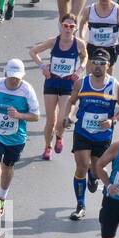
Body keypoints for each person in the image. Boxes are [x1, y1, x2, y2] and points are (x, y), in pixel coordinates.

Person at [68, 52, 119, 220]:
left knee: (96, 169)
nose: (97, 66)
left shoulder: (115, 85)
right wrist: (69, 116)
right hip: (82, 131)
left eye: (101, 63)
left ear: (108, 65)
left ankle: (93, 175)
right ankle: (80, 206)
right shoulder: (81, 83)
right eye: (94, 62)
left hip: (102, 135)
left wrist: (113, 120)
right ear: (90, 65)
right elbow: (72, 102)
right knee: (81, 165)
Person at [0, 58, 41, 214]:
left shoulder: (27, 90)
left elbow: (36, 116)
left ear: (22, 76)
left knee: (8, 169)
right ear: (5, 73)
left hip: (15, 138)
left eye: (17, 77)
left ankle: (1, 200)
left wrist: (19, 115)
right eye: (11, 76)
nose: (14, 80)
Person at [30, 15, 87, 159]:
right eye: (66, 26)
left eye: (71, 26)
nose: (68, 29)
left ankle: (59, 137)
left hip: (68, 84)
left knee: (63, 118)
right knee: (51, 120)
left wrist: (80, 70)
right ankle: (47, 147)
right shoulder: (53, 41)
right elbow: (33, 52)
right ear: (61, 26)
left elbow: (85, 57)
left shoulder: (79, 43)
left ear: (75, 29)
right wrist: (43, 66)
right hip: (52, 81)